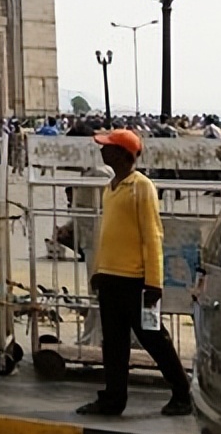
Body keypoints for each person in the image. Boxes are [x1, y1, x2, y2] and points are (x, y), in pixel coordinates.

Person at [76, 128, 192, 418]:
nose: (102, 151)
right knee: (113, 344)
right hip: (111, 278)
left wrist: (154, 283)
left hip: (136, 281)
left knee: (155, 340)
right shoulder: (111, 187)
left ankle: (182, 392)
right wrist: (98, 270)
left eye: (108, 147)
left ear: (123, 154)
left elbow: (153, 237)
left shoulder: (142, 187)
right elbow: (107, 234)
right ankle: (113, 398)